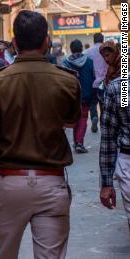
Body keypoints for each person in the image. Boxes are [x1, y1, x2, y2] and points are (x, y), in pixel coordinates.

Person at [0, 10, 81, 259]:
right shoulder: (68, 81)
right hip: (52, 183)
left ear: (15, 43)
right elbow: (73, 121)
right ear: (47, 41)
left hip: (10, 184)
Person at [99, 41, 130, 231]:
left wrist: (106, 183)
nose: (106, 57)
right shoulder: (117, 87)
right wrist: (107, 182)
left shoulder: (117, 87)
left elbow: (109, 136)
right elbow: (109, 137)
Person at [63, 39, 95, 154]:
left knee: (75, 118)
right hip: (86, 95)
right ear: (81, 48)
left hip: (71, 95)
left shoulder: (65, 63)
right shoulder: (89, 62)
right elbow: (93, 77)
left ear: (71, 49)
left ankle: (77, 142)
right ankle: (79, 143)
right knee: (83, 119)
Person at [84, 33, 108, 133]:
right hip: (105, 82)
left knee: (93, 103)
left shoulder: (87, 52)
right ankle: (103, 122)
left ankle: (94, 117)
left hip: (93, 82)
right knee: (104, 103)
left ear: (94, 40)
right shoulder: (107, 51)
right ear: (102, 40)